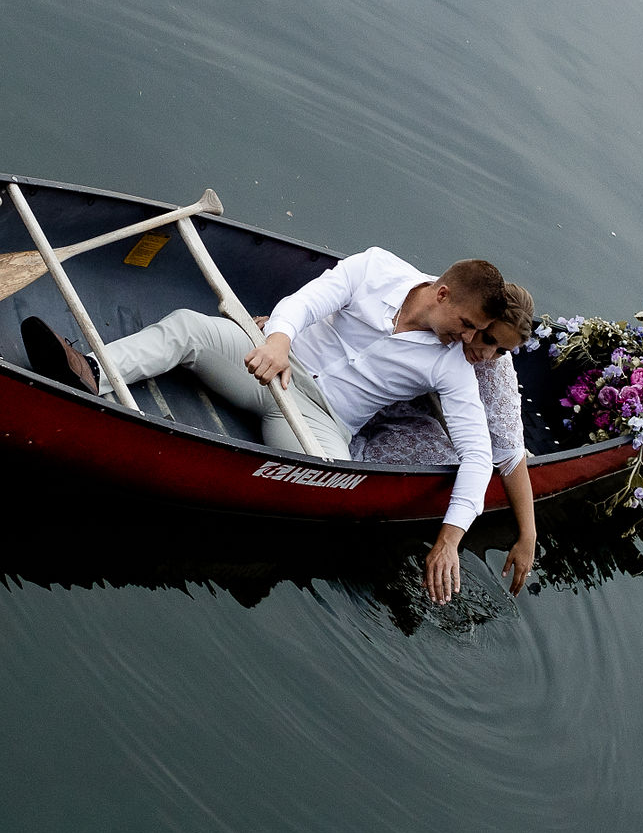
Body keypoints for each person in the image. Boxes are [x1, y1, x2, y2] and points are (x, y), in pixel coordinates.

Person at [21, 247, 509, 605]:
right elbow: (306, 302)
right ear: (442, 294)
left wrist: (449, 539)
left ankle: (254, 548)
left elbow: (479, 455)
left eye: (473, 333)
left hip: (321, 419)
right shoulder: (378, 268)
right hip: (274, 363)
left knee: (324, 474)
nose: (467, 338)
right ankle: (89, 371)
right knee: (188, 326)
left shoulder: (452, 363)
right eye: (465, 323)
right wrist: (277, 340)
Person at [354, 284, 537, 595]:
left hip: (407, 415)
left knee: (454, 464)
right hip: (363, 384)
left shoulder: (491, 365)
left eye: (502, 350)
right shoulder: (436, 312)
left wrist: (528, 536)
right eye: (488, 338)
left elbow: (508, 452)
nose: (487, 354)